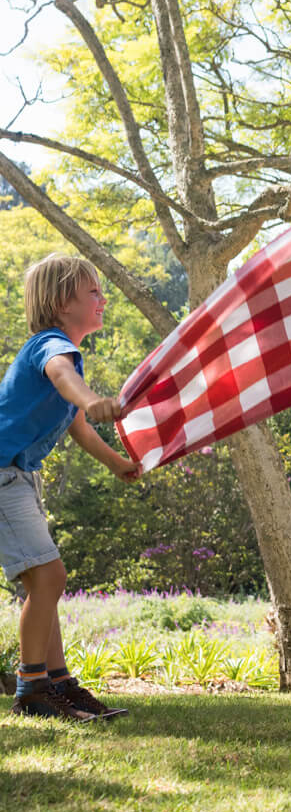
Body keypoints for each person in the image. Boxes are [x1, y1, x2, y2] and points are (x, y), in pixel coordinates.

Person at [1, 253, 140, 721]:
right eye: (93, 292)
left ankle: (58, 685)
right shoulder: (50, 347)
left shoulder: (63, 352)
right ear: (63, 303)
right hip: (2, 475)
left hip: (19, 476)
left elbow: (79, 427)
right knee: (50, 577)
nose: (103, 299)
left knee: (43, 584)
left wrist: (119, 464)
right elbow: (66, 383)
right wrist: (92, 397)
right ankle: (32, 692)